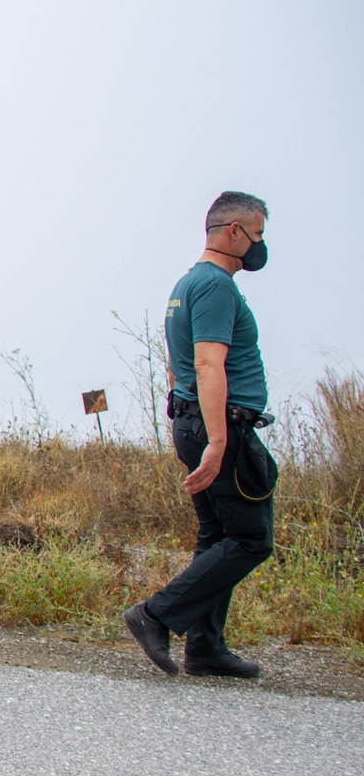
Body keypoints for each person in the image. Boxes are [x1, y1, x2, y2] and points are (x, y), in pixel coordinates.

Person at [123, 191, 275, 680]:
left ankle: (206, 648)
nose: (260, 246)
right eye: (257, 235)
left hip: (195, 418)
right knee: (251, 538)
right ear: (234, 232)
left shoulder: (186, 285)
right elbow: (208, 363)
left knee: (217, 536)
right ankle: (155, 614)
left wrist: (187, 423)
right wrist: (216, 439)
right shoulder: (215, 287)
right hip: (219, 424)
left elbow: (175, 364)